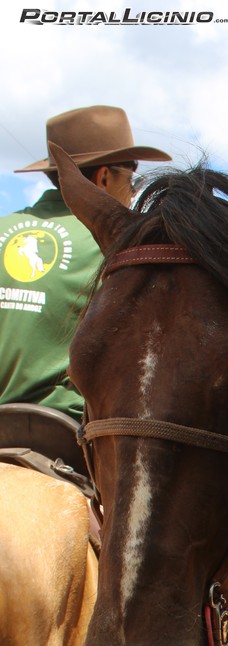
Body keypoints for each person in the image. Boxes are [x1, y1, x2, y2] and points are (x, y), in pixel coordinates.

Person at [0, 105, 171, 420]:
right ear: (103, 177)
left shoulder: (3, 225)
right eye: (131, 176)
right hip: (67, 425)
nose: (133, 192)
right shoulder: (122, 244)